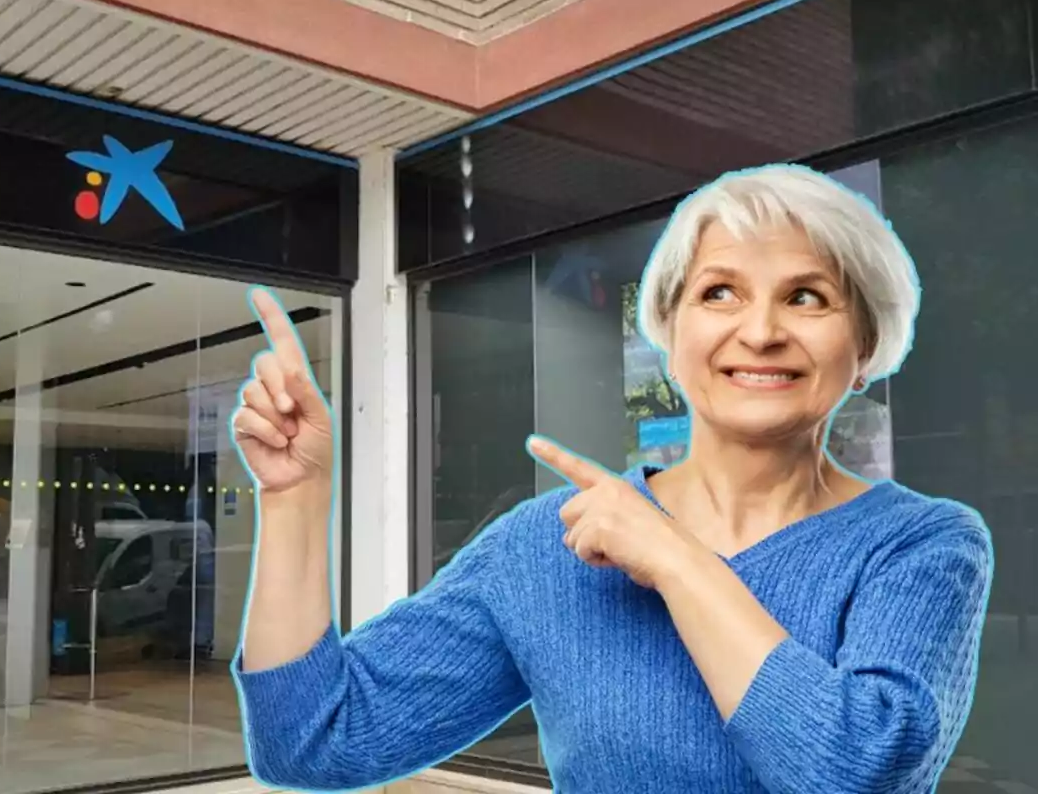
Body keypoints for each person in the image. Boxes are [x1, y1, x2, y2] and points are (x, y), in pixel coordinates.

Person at [229, 164, 993, 793]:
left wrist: (674, 561)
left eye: (806, 296)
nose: (760, 332)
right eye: (719, 291)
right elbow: (315, 739)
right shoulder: (549, 544)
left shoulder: (923, 545)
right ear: (670, 333)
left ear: (865, 349)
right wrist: (295, 502)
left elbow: (854, 771)